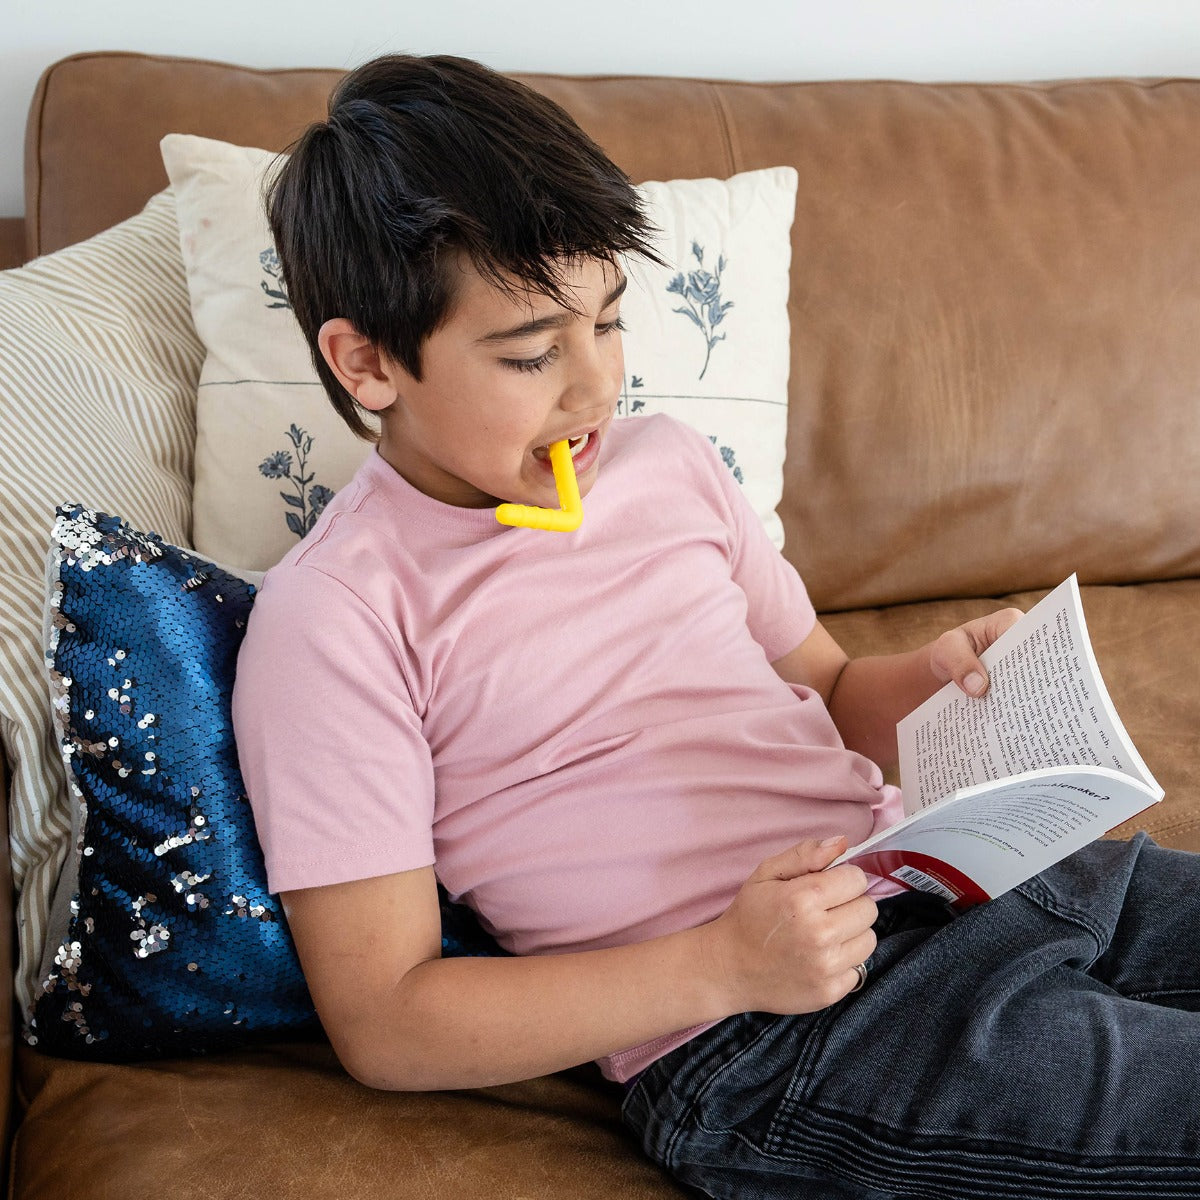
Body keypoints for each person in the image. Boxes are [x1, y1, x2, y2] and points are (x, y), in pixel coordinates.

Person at [231, 53, 1200, 1199]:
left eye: (609, 322)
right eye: (533, 351)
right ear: (368, 361)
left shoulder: (669, 466)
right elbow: (387, 1020)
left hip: (964, 877)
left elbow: (834, 692)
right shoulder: (336, 620)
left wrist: (942, 681)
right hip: (775, 1030)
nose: (593, 391)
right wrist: (724, 966)